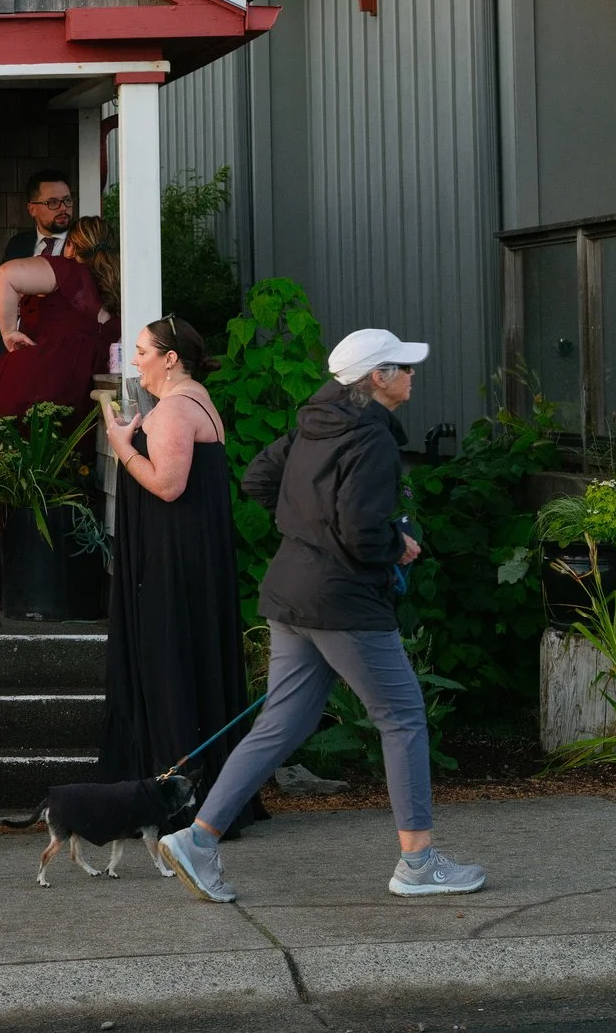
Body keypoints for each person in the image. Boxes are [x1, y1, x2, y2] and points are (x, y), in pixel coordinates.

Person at [159, 328, 488, 904]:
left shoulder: (314, 421)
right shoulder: (375, 441)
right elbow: (363, 533)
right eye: (403, 368)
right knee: (404, 717)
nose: (413, 376)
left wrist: (310, 533)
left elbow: (259, 480)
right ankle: (418, 863)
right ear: (376, 378)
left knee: (281, 724)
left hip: (291, 591)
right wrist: (398, 544)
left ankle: (198, 838)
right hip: (343, 601)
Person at [95, 318, 254, 818]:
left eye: (141, 351)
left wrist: (122, 449)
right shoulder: (194, 398)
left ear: (169, 358)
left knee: (170, 660)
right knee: (194, 656)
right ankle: (208, 792)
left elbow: (168, 485)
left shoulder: (173, 411)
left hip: (173, 561)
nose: (133, 358)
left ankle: (175, 795)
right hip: (195, 556)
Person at [0, 214, 116, 424]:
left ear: (70, 245)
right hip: (80, 398)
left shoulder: (66, 269)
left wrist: (8, 331)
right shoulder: (117, 287)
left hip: (35, 386)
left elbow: (5, 275)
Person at [1, 168, 78, 261]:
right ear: (33, 209)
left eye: (67, 200)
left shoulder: (85, 244)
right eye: (53, 202)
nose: (63, 208)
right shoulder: (17, 245)